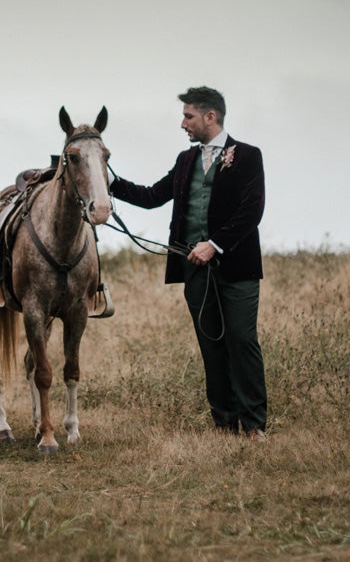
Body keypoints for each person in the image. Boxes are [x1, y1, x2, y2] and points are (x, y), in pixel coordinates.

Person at [110, 86, 268, 440]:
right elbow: (152, 196)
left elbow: (251, 211)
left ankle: (254, 425)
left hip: (238, 269)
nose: (183, 124)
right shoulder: (186, 161)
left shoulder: (247, 156)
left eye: (188, 116)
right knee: (210, 345)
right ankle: (224, 424)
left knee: (241, 341)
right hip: (194, 270)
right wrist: (111, 183)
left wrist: (214, 245)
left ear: (210, 117)